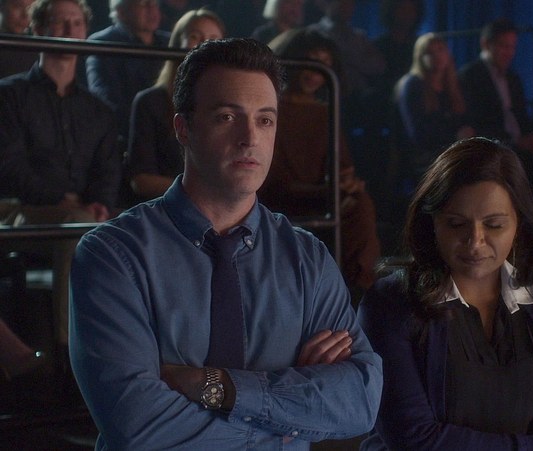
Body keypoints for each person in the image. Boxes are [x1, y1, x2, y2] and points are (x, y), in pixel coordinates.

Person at [69, 38, 382, 449]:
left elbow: (359, 402)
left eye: (265, 120)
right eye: (227, 117)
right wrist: (289, 419)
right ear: (183, 128)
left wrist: (216, 387)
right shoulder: (113, 255)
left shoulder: (306, 257)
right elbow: (138, 427)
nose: (250, 138)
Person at [359, 137, 533, 450]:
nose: (475, 242)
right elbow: (414, 439)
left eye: (494, 225)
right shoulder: (391, 304)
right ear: (432, 223)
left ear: (519, 224)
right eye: (456, 224)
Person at [0, 0, 120, 347]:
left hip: (82, 212)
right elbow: (9, 167)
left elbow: (108, 168)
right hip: (20, 210)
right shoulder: (9, 95)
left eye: (77, 23)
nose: (70, 30)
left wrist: (100, 203)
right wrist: (61, 199)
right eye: (60, 22)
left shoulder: (98, 109)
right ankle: (71, 349)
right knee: (76, 226)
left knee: (130, 226)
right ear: (38, 29)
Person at [259, 28, 381, 293]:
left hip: (321, 196)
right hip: (276, 193)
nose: (315, 72)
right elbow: (273, 177)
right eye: (311, 61)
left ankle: (357, 288)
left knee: (359, 203)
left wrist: (347, 182)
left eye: (324, 64)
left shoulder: (325, 110)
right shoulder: (268, 107)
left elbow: (342, 165)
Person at [126, 7, 224, 201]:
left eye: (213, 39)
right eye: (195, 37)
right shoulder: (150, 101)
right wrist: (201, 192)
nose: (205, 45)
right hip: (165, 206)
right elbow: (141, 180)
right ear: (178, 43)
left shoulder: (229, 105)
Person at [458, 18, 533, 204]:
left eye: (512, 47)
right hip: (495, 146)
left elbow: (521, 114)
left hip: (517, 145)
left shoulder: (513, 78)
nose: (509, 52)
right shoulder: (470, 76)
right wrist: (514, 141)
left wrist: (529, 134)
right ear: (485, 44)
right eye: (503, 46)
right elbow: (476, 122)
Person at [86, 0, 170, 150]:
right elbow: (104, 98)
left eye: (155, 3)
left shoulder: (169, 43)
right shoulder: (103, 43)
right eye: (144, 4)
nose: (152, 9)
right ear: (121, 11)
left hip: (169, 133)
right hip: (126, 138)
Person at [395, 32, 474, 176]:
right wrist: (454, 136)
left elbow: (466, 119)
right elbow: (418, 134)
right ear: (420, 57)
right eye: (429, 52)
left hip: (455, 150)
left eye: (440, 50)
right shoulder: (412, 85)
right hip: (425, 156)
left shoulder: (456, 84)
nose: (436, 56)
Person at [0, 0, 38, 79]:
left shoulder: (41, 47)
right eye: (18, 6)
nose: (25, 15)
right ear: (1, 5)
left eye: (31, 8)